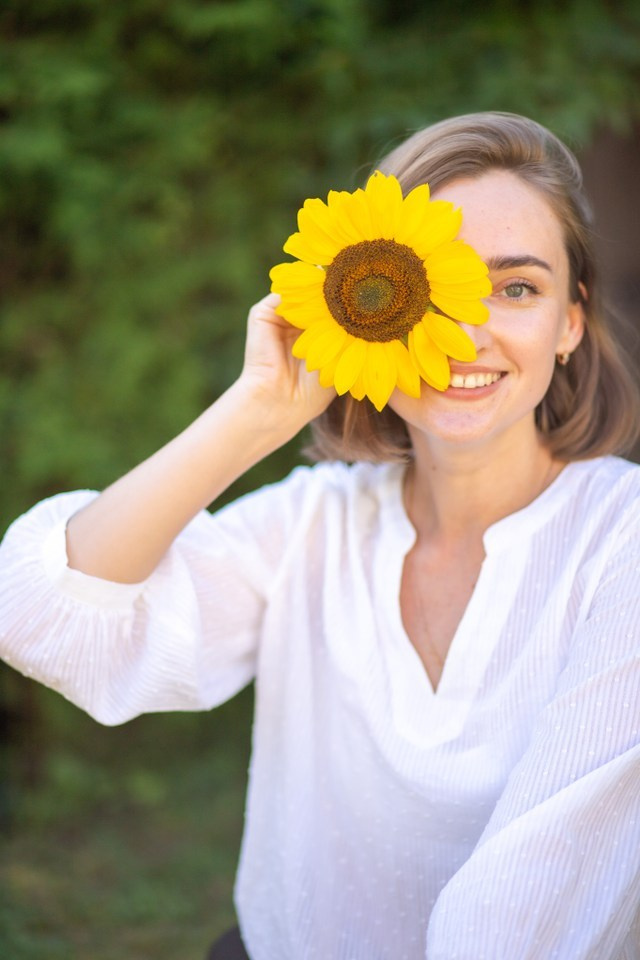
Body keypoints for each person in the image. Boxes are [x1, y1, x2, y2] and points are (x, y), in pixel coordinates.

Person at [1, 111, 640, 960]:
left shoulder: (621, 542)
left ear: (568, 323)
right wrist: (253, 413)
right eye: (434, 289)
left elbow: (525, 910)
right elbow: (42, 615)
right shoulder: (313, 526)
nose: (464, 333)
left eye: (515, 288)